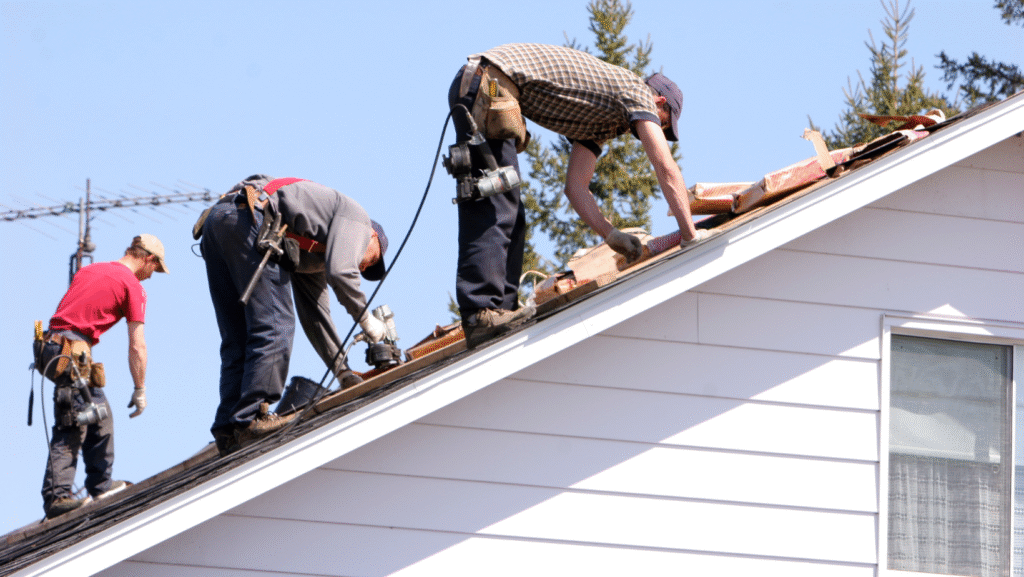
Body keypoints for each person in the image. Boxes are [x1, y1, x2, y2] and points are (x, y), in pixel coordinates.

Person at [448, 43, 709, 348]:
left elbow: (575, 187)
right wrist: (690, 235)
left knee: (511, 213)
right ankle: (482, 314)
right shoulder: (637, 93)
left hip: (489, 85)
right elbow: (665, 166)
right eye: (663, 123)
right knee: (495, 201)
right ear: (659, 101)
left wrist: (611, 235)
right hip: (489, 83)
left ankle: (500, 312)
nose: (658, 131)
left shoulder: (600, 121)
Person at [199, 175, 388, 456]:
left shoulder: (312, 250)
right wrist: (366, 320)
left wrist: (343, 372)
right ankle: (252, 418)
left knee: (239, 336)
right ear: (372, 235)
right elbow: (342, 273)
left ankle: (228, 429)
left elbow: (316, 315)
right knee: (276, 326)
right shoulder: (358, 220)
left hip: (221, 221)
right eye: (371, 258)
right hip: (251, 218)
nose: (363, 266)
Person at [35, 234, 168, 519]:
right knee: (74, 420)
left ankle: (100, 484)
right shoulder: (132, 286)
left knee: (100, 413)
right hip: (71, 351)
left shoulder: (90, 270)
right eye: (154, 269)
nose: (150, 277)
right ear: (148, 258)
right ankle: (57, 497)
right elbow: (137, 345)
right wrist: (140, 388)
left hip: (51, 346)